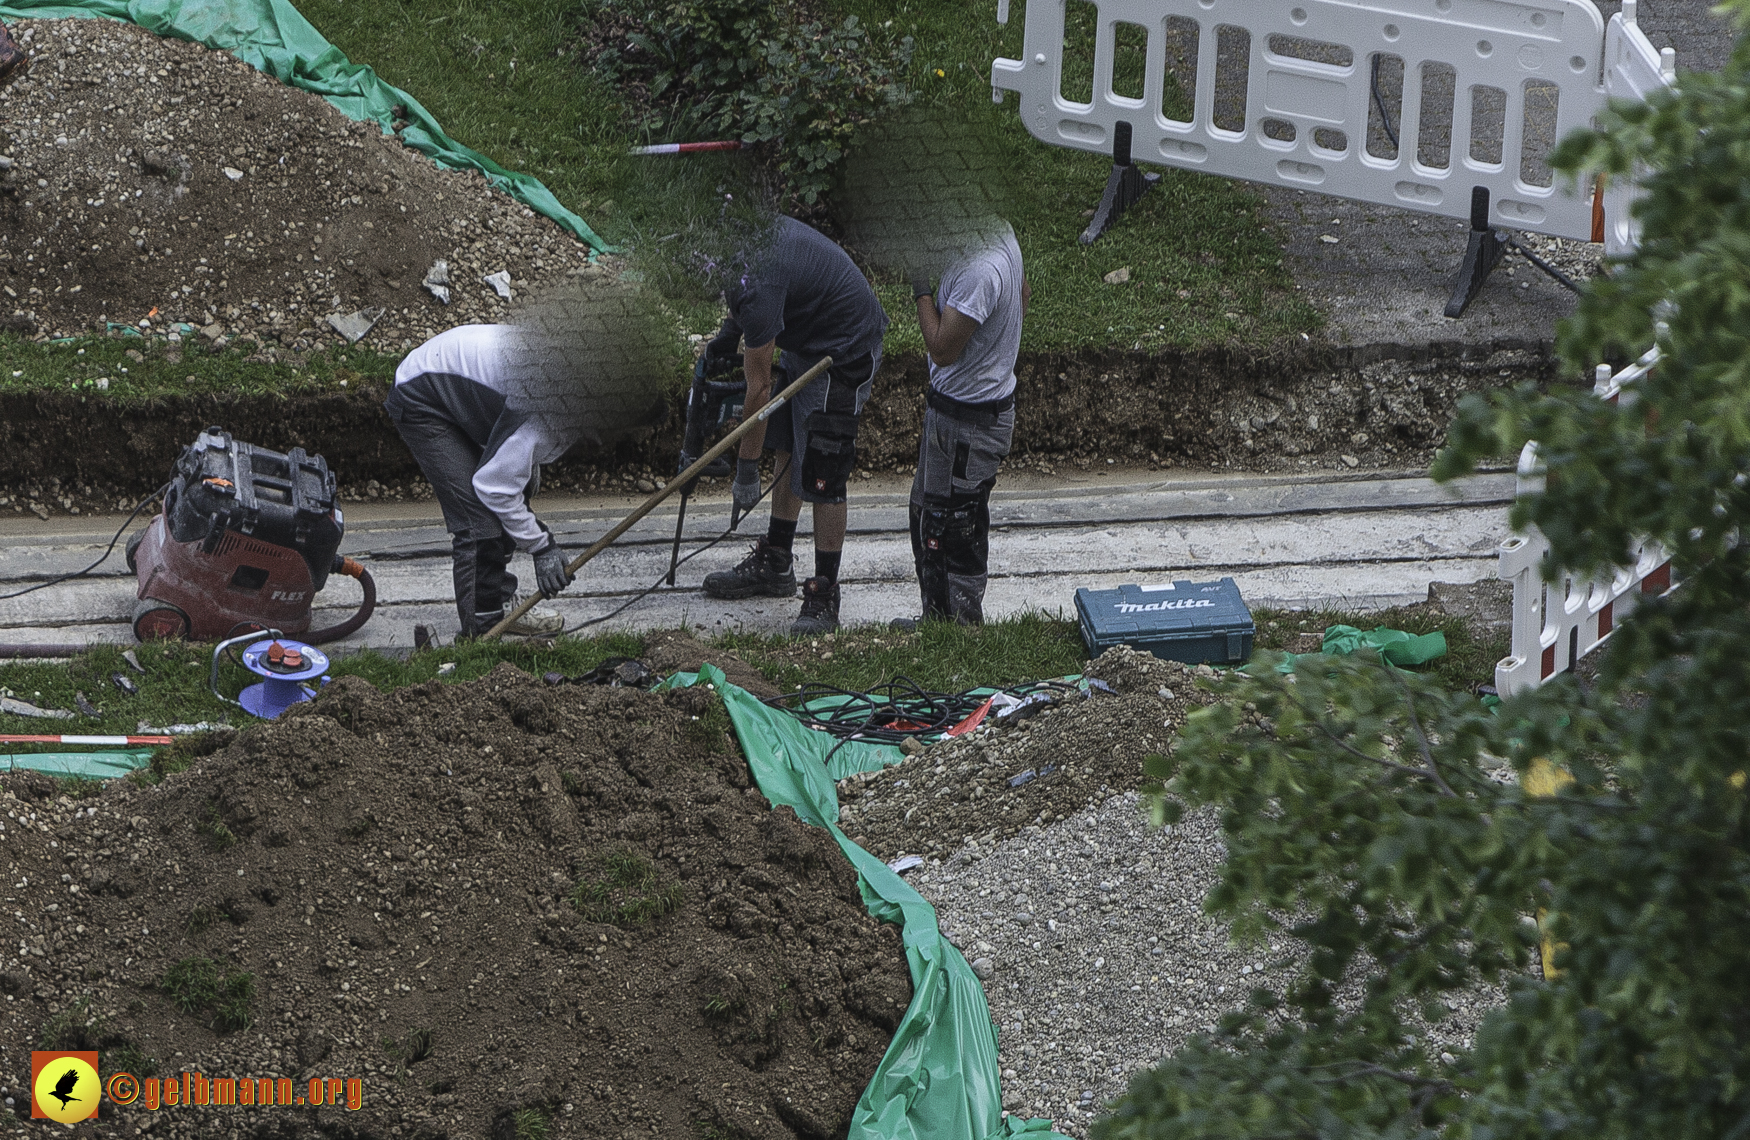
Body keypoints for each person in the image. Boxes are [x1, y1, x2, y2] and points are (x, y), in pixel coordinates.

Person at [700, 216, 889, 634]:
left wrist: (746, 470)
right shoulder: (740, 242)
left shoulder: (759, 280)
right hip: (807, 338)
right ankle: (776, 561)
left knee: (824, 467)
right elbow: (745, 296)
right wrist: (730, 332)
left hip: (844, 348)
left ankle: (825, 592)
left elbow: (758, 392)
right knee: (789, 444)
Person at [385, 324, 582, 639]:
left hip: (465, 389)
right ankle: (483, 634)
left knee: (515, 495)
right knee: (479, 523)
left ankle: (497, 602)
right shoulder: (543, 401)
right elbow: (496, 489)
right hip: (423, 396)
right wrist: (542, 547)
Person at [899, 223, 1028, 627]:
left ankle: (962, 627)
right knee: (927, 513)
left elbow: (941, 349)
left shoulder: (980, 271)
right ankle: (937, 619)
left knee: (955, 527)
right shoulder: (999, 232)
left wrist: (920, 288)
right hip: (956, 414)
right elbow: (1023, 295)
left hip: (968, 424)